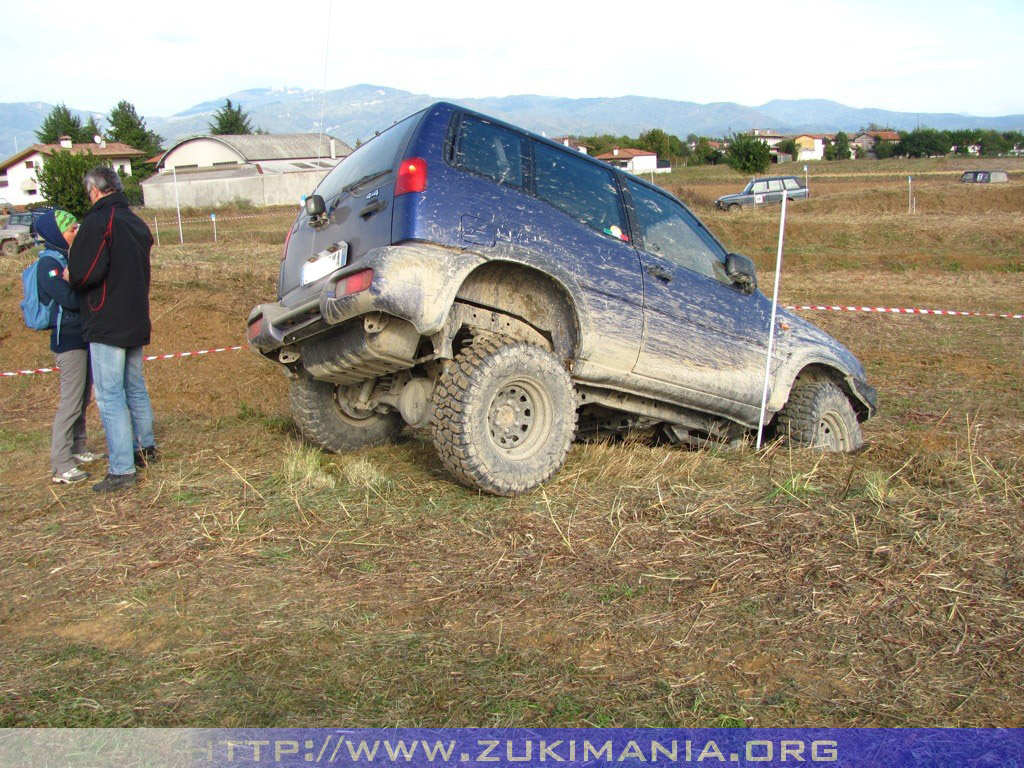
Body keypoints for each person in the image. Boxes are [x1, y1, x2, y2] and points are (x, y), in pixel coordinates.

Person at [68, 166, 157, 492]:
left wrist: (70, 276)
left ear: (93, 190)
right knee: (134, 385)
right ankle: (144, 448)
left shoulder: (98, 222)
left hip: (106, 319)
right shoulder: (135, 221)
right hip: (135, 315)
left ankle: (122, 469)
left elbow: (85, 272)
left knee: (109, 395)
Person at [35, 209, 102, 484]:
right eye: (71, 229)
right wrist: (80, 284)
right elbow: (71, 300)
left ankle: (79, 447)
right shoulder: (49, 263)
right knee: (71, 403)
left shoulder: (67, 259)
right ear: (56, 233)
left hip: (82, 336)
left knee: (83, 399)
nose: (77, 232)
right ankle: (61, 465)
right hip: (68, 341)